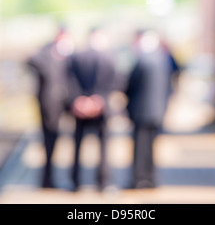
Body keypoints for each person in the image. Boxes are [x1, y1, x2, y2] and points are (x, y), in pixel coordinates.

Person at [125, 29, 178, 189]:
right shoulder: (163, 60)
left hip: (141, 111)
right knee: (151, 147)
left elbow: (130, 85)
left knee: (140, 149)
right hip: (157, 110)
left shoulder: (142, 61)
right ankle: (151, 178)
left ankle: (139, 179)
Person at [66, 27, 115, 191]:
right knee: (103, 148)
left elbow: (68, 80)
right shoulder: (110, 57)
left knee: (77, 145)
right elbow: (116, 82)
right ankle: (103, 182)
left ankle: (75, 181)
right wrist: (99, 100)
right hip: (101, 108)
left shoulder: (76, 57)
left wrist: (78, 100)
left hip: (80, 107)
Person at [27, 26, 74, 188]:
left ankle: (57, 176)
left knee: (61, 139)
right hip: (49, 103)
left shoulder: (67, 55)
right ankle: (47, 179)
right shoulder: (45, 53)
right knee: (49, 139)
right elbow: (31, 60)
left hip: (63, 101)